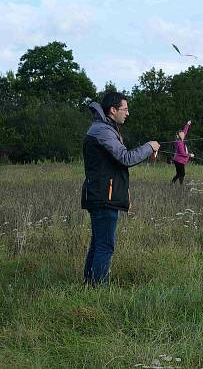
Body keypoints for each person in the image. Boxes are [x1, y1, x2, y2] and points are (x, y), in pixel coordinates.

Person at [81, 92, 160, 285]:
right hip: (103, 197)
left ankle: (90, 283)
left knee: (99, 242)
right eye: (124, 109)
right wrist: (149, 146)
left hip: (102, 194)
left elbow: (115, 165)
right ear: (113, 110)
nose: (127, 113)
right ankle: (98, 288)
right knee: (105, 245)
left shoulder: (103, 128)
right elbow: (126, 158)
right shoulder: (103, 131)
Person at [172, 120, 194, 184]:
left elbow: (185, 132)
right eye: (181, 134)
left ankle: (173, 183)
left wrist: (187, 124)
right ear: (178, 136)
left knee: (179, 173)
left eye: (183, 134)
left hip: (180, 160)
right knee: (182, 174)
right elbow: (183, 153)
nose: (183, 134)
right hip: (178, 161)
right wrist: (190, 155)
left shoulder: (181, 140)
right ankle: (178, 185)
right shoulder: (179, 143)